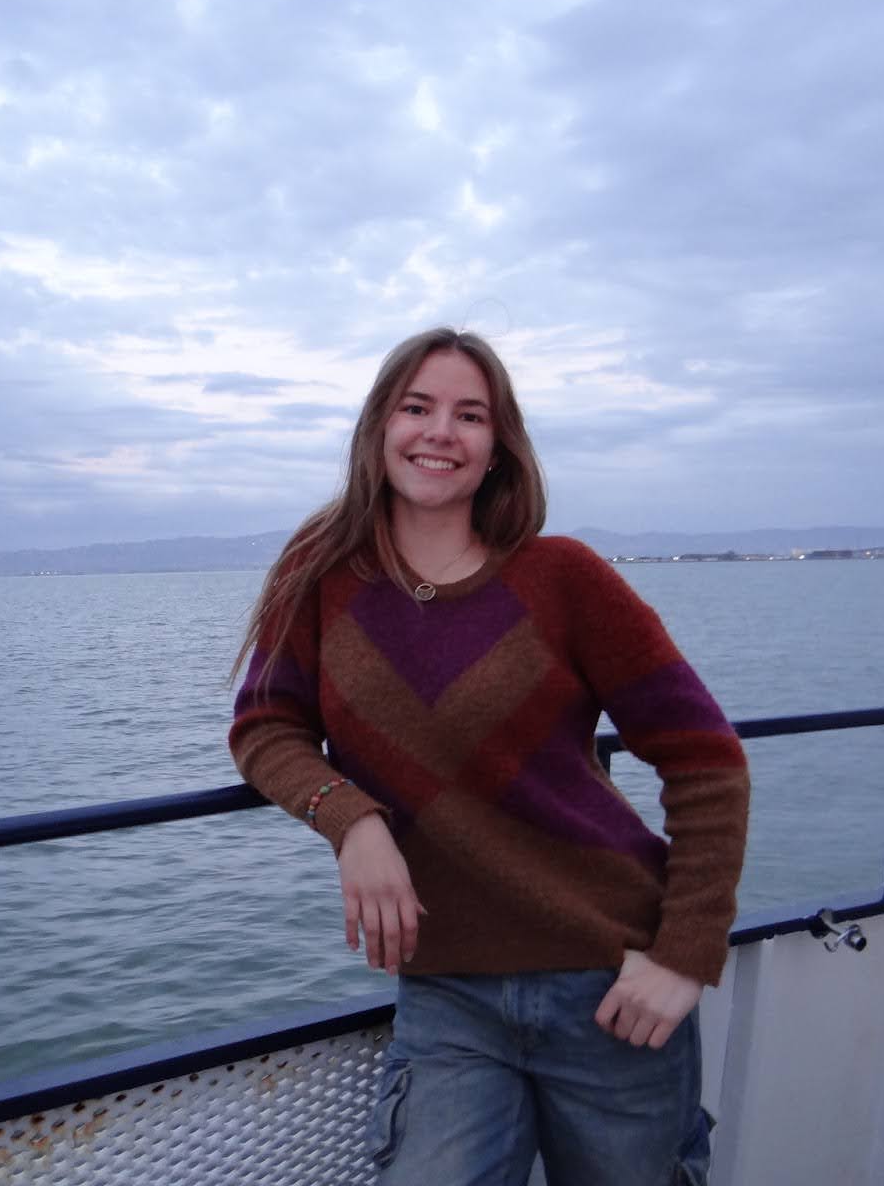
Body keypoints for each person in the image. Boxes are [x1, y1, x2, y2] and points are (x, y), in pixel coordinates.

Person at [228, 327, 749, 1186]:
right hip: (448, 992)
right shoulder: (319, 572)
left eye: (470, 415)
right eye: (417, 407)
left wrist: (686, 952)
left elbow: (706, 761)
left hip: (609, 983)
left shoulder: (563, 577)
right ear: (378, 428)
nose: (441, 432)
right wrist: (352, 821)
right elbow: (264, 726)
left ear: (498, 447)